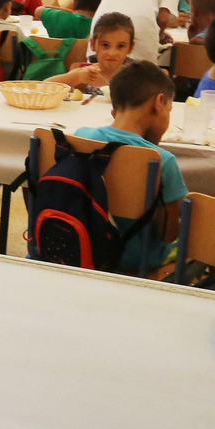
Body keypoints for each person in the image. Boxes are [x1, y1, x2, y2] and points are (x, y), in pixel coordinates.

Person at [73, 60, 187, 275]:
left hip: (84, 247)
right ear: (159, 102)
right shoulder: (162, 160)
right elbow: (168, 234)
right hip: (137, 260)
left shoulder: (81, 137)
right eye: (169, 110)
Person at [44, 12, 134, 88]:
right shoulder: (88, 74)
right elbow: (44, 87)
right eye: (105, 45)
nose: (112, 53)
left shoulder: (136, 76)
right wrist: (76, 77)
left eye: (121, 46)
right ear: (93, 44)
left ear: (130, 47)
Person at [38, 0, 102, 39]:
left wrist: (68, 9)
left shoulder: (59, 18)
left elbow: (39, 10)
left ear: (74, 1)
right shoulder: (100, 27)